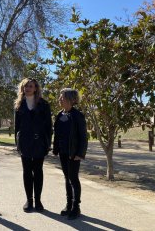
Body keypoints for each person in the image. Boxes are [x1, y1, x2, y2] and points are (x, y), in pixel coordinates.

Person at [14, 78, 52, 213]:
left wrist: (48, 144)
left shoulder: (44, 104)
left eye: (31, 86)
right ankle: (29, 200)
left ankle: (38, 201)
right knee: (27, 172)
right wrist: (17, 144)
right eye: (26, 86)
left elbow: (49, 126)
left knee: (38, 171)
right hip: (24, 143)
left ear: (36, 88)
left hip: (39, 143)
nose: (28, 88)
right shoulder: (19, 105)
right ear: (23, 89)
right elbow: (16, 127)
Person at [53, 88, 88, 220]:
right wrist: (55, 148)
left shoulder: (77, 115)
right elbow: (57, 134)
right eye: (60, 97)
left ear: (71, 100)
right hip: (63, 152)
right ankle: (68, 204)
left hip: (73, 153)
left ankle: (76, 207)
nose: (59, 99)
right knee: (67, 178)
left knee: (73, 178)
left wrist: (80, 153)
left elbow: (83, 137)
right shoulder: (59, 114)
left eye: (62, 97)